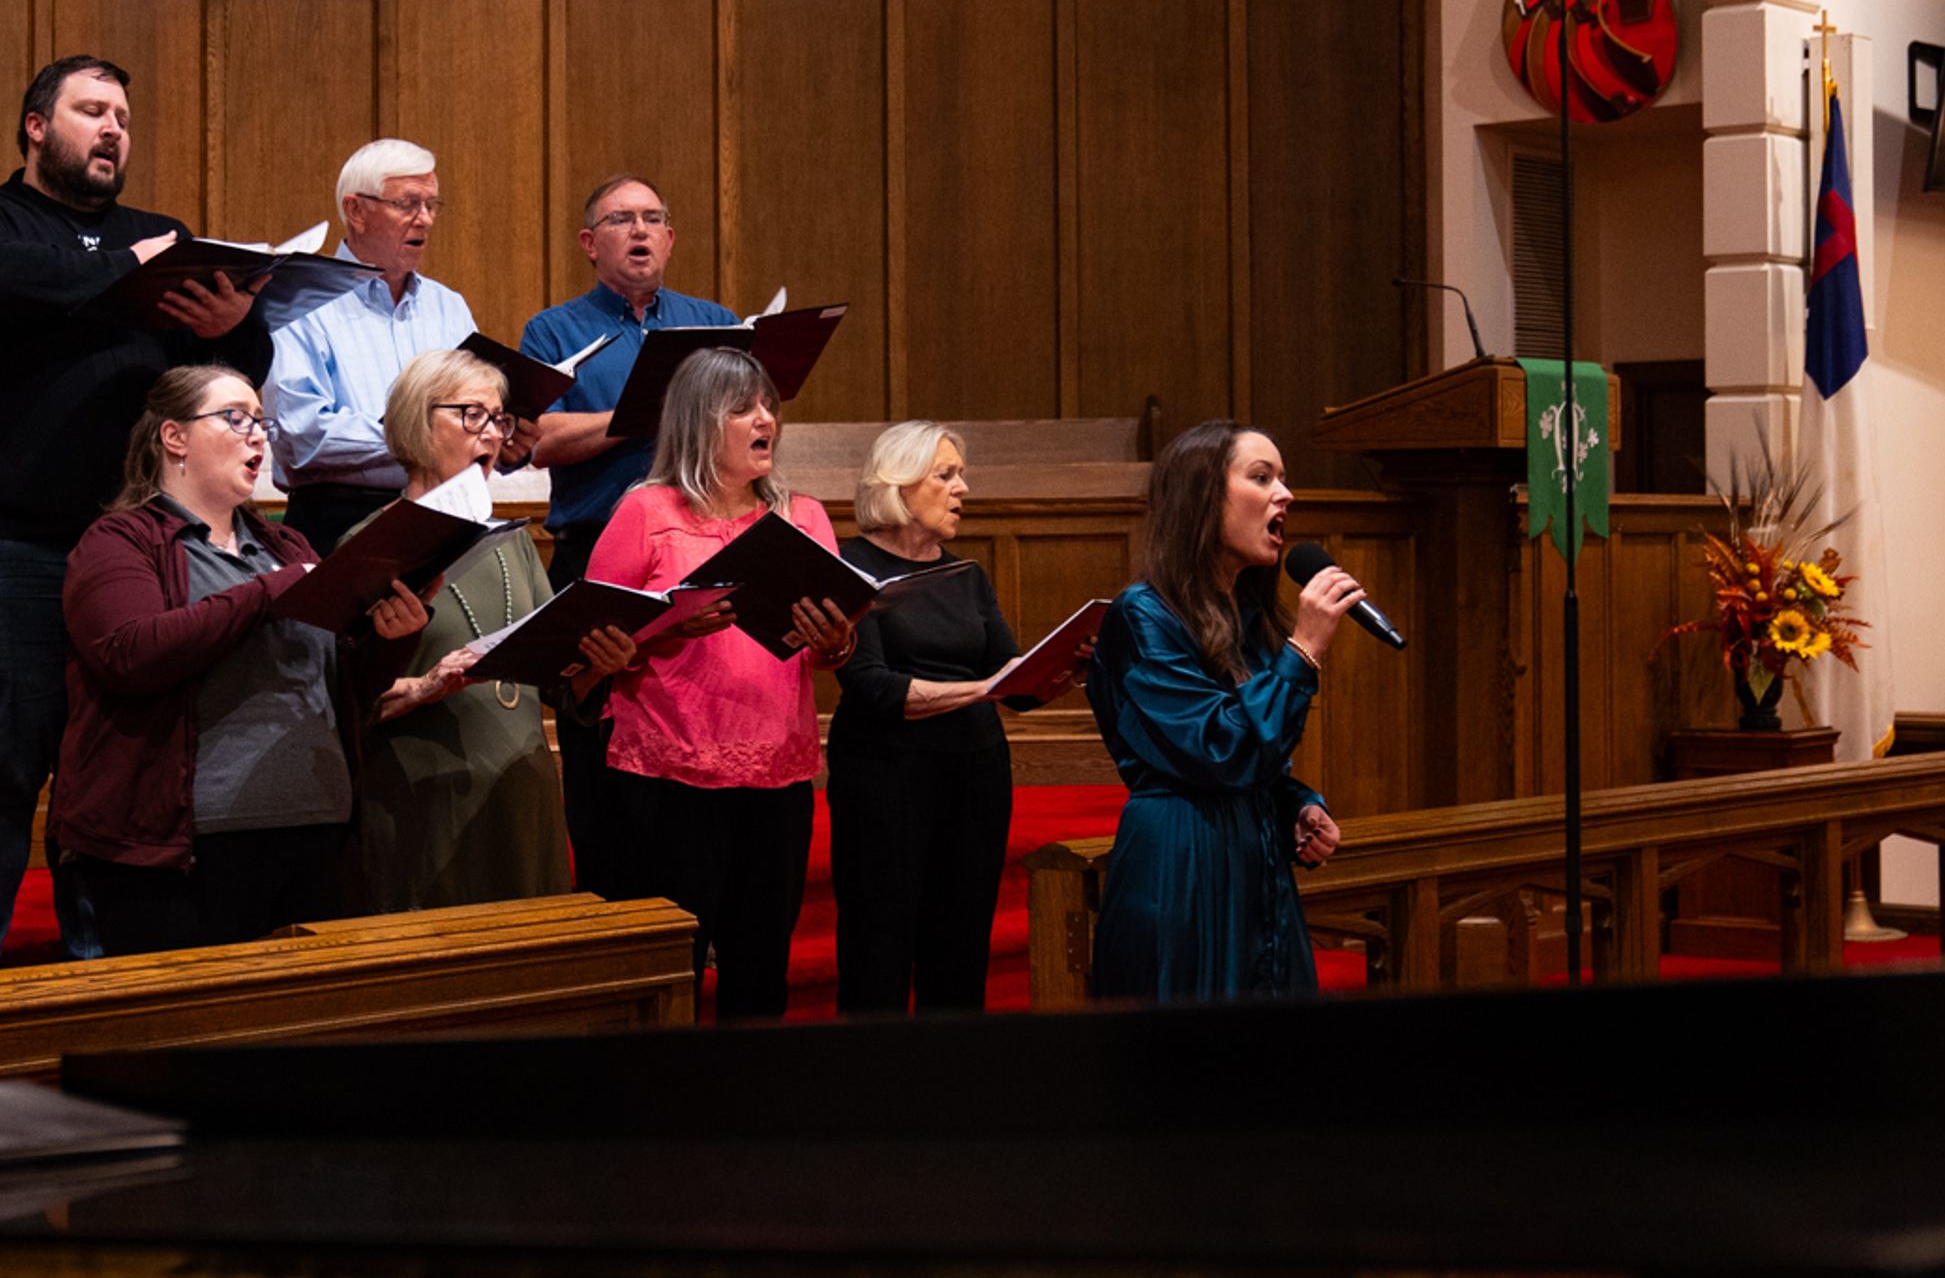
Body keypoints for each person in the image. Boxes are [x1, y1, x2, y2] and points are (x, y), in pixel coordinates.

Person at [0, 55, 268, 974]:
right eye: (91, 111)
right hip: (6, 539)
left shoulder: (160, 237)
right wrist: (117, 265)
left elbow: (229, 373)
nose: (113, 129)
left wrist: (233, 324)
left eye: (123, 117)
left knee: (111, 768)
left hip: (135, 543)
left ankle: (101, 970)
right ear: (36, 126)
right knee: (2, 763)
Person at [50, 364, 429, 956]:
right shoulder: (120, 541)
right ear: (174, 437)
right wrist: (264, 595)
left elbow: (340, 688)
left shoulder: (286, 546)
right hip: (189, 848)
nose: (258, 436)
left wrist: (391, 639)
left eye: (262, 422)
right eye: (236, 419)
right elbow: (130, 655)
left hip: (316, 826)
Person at [572, 346, 857, 1023]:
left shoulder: (801, 516)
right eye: (743, 408)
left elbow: (832, 650)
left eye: (769, 407)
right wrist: (669, 629)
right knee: (670, 972)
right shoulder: (645, 511)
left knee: (760, 971)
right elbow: (591, 643)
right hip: (669, 778)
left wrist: (836, 638)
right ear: (700, 422)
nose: (765, 420)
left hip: (776, 776)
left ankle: (747, 1118)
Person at [1085, 421, 1359, 1002]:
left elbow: (1257, 757)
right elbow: (1219, 749)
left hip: (1249, 857)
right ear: (1202, 499)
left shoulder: (1245, 615)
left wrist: (1295, 803)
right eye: (1262, 478)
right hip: (1181, 864)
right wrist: (1304, 650)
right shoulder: (1142, 616)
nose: (1285, 495)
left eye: (1284, 479)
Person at [515, 176, 735, 893]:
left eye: (653, 219)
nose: (639, 231)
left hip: (704, 553)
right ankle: (615, 912)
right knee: (599, 744)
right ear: (590, 242)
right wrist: (641, 415)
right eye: (620, 219)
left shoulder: (713, 322)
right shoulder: (554, 331)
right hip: (598, 556)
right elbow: (539, 438)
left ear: (670, 238)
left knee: (704, 733)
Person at [827, 422, 1067, 1016]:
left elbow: (1011, 685)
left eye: (960, 474)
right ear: (899, 485)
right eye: (946, 474)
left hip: (975, 776)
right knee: (878, 951)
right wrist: (986, 686)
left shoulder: (967, 574)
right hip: (886, 779)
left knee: (959, 952)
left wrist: (1062, 667)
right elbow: (876, 690)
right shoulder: (850, 569)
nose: (963, 487)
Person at [344, 351, 568, 912]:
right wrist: (422, 687)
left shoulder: (512, 536)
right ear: (419, 423)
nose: (491, 433)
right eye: (472, 415)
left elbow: (557, 667)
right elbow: (342, 703)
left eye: (499, 419)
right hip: (428, 806)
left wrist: (605, 654)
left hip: (523, 792)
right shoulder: (370, 544)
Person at [264, 138, 475, 553]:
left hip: (443, 512)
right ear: (356, 211)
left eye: (432, 205)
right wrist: (422, 435)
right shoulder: (299, 302)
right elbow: (300, 433)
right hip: (335, 520)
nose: (425, 219)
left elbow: (472, 415)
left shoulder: (449, 308)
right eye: (408, 204)